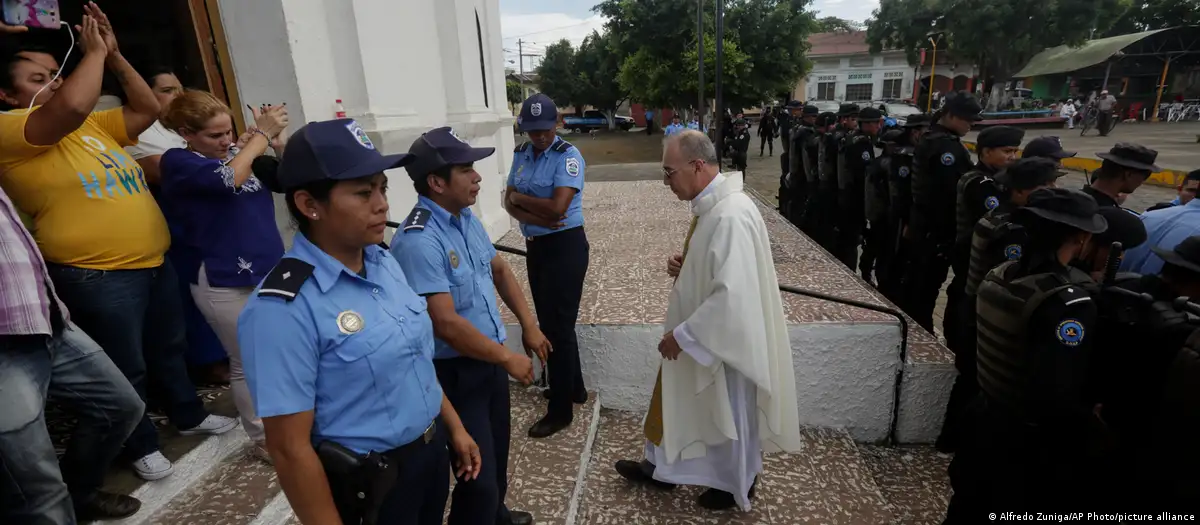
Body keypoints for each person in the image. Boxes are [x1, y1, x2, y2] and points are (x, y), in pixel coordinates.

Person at [0, 5, 236, 482]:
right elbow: (66, 106)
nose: (50, 84)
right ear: (6, 94)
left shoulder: (87, 126)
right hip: (96, 273)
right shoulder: (11, 130)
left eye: (53, 74)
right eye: (35, 79)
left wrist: (112, 55)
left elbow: (150, 109)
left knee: (169, 348)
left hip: (150, 260)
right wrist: (88, 53)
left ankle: (188, 415)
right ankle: (141, 443)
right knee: (125, 366)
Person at [238, 118, 482, 525]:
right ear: (309, 205)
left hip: (428, 455)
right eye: (363, 193)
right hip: (371, 483)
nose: (382, 204)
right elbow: (289, 449)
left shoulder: (382, 261)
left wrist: (453, 426)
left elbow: (414, 361)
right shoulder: (281, 308)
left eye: (382, 188)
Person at [615, 129, 803, 511]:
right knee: (684, 401)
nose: (666, 181)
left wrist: (681, 337)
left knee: (726, 411)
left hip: (722, 343)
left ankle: (734, 483)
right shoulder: (715, 206)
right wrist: (686, 267)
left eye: (669, 172)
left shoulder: (730, 214)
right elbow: (718, 270)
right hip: (705, 336)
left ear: (697, 165)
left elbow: (731, 297)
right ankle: (664, 470)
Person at [390, 127, 550, 525]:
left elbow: (499, 269)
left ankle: (496, 516)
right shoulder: (419, 240)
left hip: (488, 363)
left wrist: (528, 324)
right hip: (454, 373)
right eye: (466, 169)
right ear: (436, 182)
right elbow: (443, 323)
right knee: (476, 476)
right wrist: (508, 357)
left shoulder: (465, 219)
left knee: (496, 458)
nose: (477, 176)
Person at [944, 188, 1108, 522]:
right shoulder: (1067, 303)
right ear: (1081, 238)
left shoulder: (1001, 274)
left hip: (983, 416)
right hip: (1023, 441)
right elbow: (1057, 394)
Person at [0, 182, 146, 522]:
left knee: (120, 407)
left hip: (47, 319)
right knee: (38, 486)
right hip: (6, 344)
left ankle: (80, 494)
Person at [157, 90, 290, 461]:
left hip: (269, 268)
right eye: (215, 135)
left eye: (229, 131)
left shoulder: (237, 154)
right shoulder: (178, 161)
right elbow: (225, 181)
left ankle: (291, 422)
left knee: (284, 350)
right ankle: (263, 436)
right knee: (247, 360)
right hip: (222, 276)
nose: (227, 140)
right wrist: (257, 139)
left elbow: (289, 180)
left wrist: (276, 144)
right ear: (186, 132)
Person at [124, 66, 230, 384]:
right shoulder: (141, 131)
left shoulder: (186, 129)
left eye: (180, 87)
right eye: (167, 89)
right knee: (196, 291)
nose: (178, 94)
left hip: (217, 222)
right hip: (181, 221)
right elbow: (165, 172)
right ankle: (209, 362)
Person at [504, 93, 590, 438]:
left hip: (565, 247)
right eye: (532, 130)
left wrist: (520, 200)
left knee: (559, 327)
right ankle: (576, 388)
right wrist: (521, 207)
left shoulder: (568, 157)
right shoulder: (521, 154)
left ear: (557, 124)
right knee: (553, 323)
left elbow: (558, 210)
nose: (538, 136)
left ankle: (560, 410)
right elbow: (505, 200)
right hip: (536, 246)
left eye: (544, 129)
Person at [935, 125, 1023, 452]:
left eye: (1014, 152)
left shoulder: (984, 180)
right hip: (973, 269)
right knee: (972, 370)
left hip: (969, 267)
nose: (1011, 157)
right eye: (1006, 152)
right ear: (985, 152)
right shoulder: (982, 184)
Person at [901, 91, 980, 332]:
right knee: (926, 287)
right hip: (935, 230)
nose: (971, 125)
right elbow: (949, 195)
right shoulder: (945, 147)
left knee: (920, 285)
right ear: (952, 115)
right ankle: (920, 334)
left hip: (924, 226)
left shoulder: (931, 137)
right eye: (968, 120)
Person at [1120, 172, 1200, 275]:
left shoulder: (1150, 215)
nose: (1192, 196)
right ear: (1179, 190)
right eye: (1190, 190)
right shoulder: (1152, 213)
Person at [836, 106, 883, 277]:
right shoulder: (861, 143)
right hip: (854, 199)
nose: (879, 127)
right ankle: (849, 276)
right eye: (876, 123)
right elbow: (864, 176)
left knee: (847, 240)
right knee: (851, 241)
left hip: (846, 196)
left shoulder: (851, 138)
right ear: (867, 124)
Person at [815, 105, 858, 253]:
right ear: (844, 120)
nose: (856, 122)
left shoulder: (838, 135)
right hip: (835, 188)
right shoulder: (839, 137)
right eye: (853, 119)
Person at [1083, 143, 1159, 208]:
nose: (1142, 182)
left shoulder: (1074, 200)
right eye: (1146, 176)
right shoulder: (1123, 221)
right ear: (1129, 175)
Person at [785, 104, 819, 229]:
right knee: (800, 204)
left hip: (796, 171)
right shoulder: (805, 132)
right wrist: (810, 179)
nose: (815, 119)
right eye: (813, 116)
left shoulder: (797, 129)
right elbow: (805, 158)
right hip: (801, 173)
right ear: (806, 117)